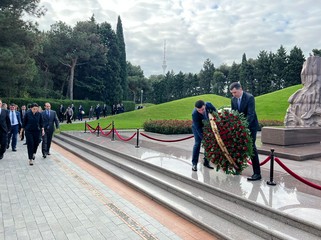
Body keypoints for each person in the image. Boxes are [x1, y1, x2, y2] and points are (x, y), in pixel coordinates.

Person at [229, 82, 261, 181]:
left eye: (235, 92)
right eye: (232, 93)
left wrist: (243, 126)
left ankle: (257, 173)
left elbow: (250, 114)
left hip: (251, 126)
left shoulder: (250, 97)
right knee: (238, 147)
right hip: (240, 127)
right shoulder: (233, 100)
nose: (234, 95)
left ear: (240, 89)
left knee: (251, 148)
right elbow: (234, 114)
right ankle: (237, 169)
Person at [192, 100, 216, 171]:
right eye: (199, 110)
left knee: (208, 143)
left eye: (202, 109)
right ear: (196, 109)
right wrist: (204, 138)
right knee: (198, 143)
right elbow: (198, 129)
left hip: (208, 125)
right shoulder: (194, 114)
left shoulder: (209, 105)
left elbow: (215, 113)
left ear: (205, 106)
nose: (201, 111)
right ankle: (194, 164)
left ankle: (206, 162)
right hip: (197, 128)